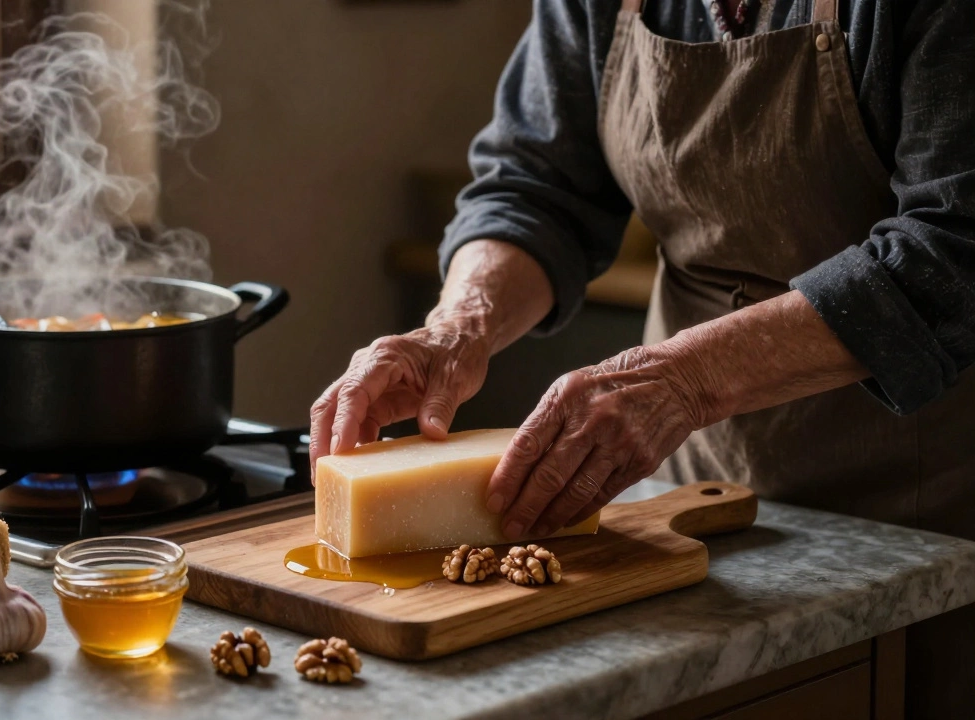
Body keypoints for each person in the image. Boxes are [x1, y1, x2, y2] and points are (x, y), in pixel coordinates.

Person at [308, 0, 975, 715]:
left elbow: (953, 251)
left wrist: (683, 378)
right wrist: (457, 326)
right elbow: (536, 185)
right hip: (689, 499)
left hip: (924, 514)